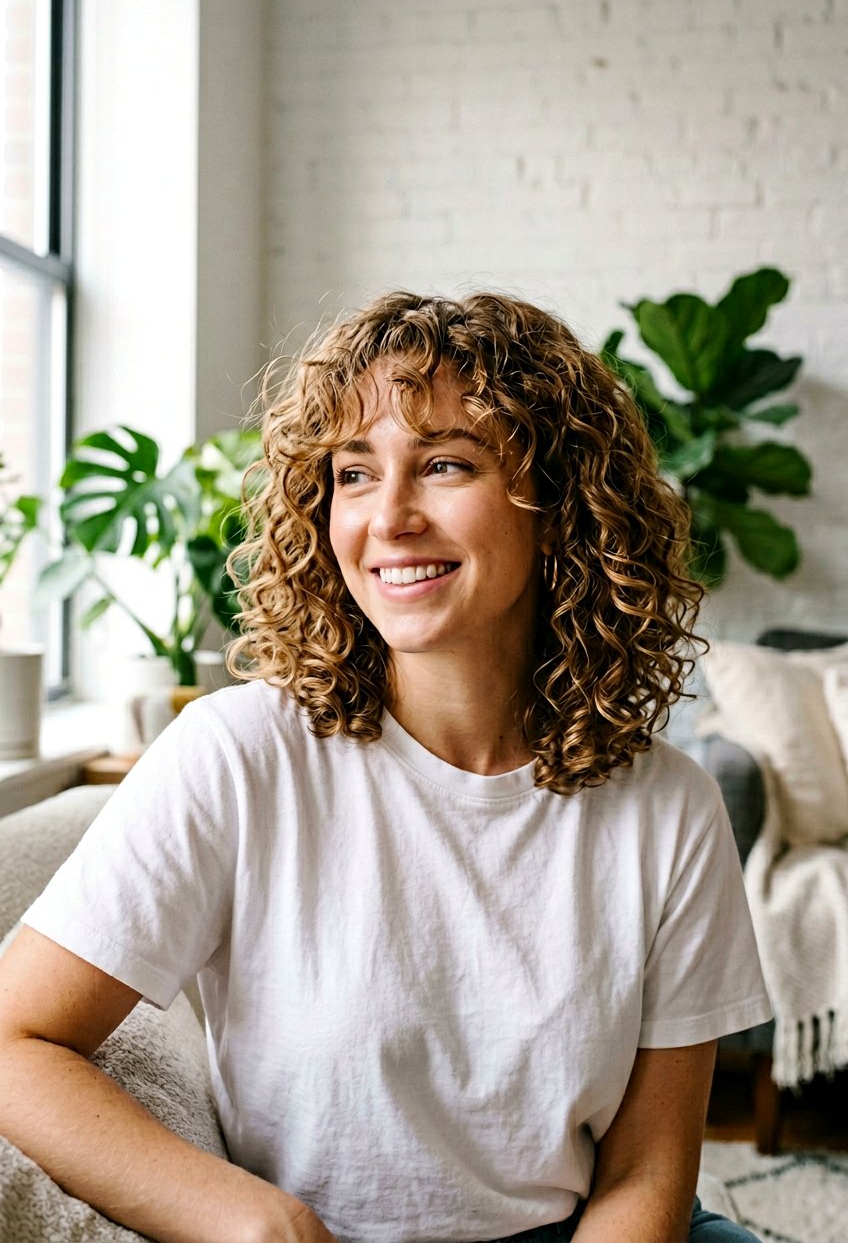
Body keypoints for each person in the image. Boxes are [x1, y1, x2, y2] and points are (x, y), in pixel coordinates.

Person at [0, 291, 771, 1243]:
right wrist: (257, 1224)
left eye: (447, 463)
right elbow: (14, 1043)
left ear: (561, 501)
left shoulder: (671, 808)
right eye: (355, 473)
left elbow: (647, 1174)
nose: (390, 517)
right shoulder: (237, 756)